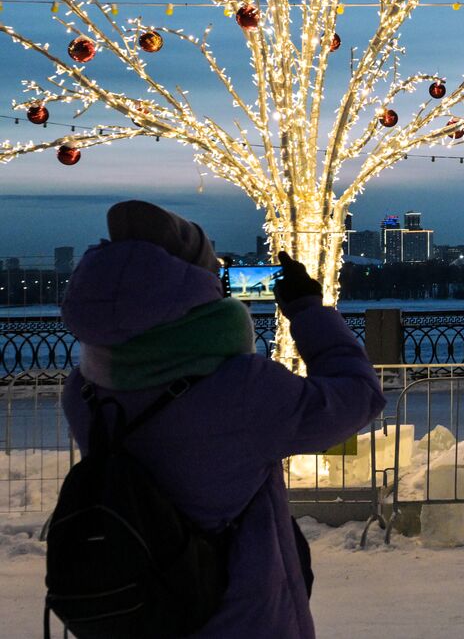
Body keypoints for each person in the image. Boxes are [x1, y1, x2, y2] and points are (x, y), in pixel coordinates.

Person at [60, 200, 386, 637]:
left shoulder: (83, 388)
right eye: (212, 270)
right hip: (238, 617)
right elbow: (358, 396)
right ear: (193, 288)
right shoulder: (242, 391)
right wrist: (308, 310)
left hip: (135, 602)